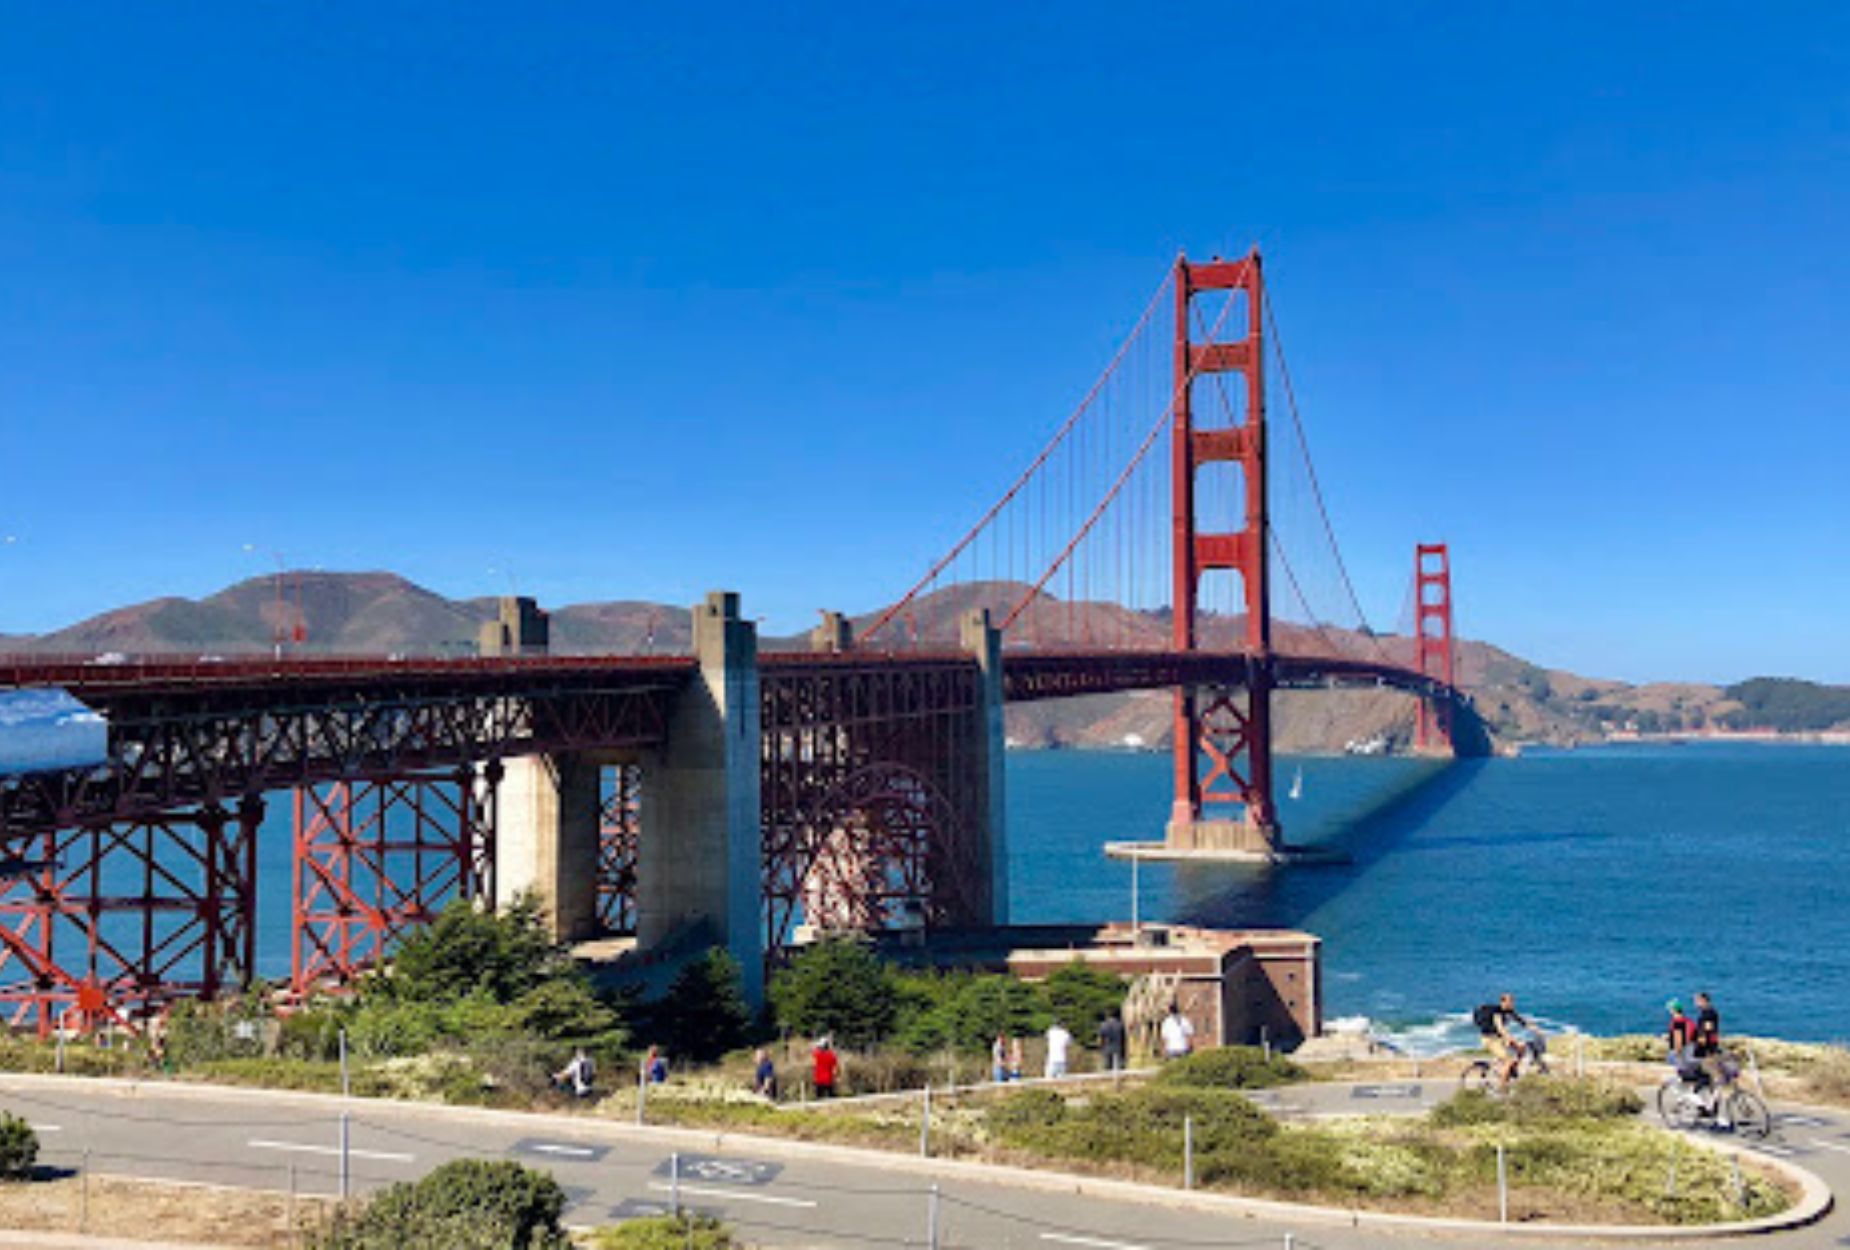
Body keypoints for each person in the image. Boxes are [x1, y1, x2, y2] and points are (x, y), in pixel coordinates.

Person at [1472, 992, 1530, 1091]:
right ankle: (1503, 1088)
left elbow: (1520, 1020)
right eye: (1509, 1001)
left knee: (1522, 1049)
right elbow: (1501, 1029)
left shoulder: (1508, 1011)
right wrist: (1511, 1039)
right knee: (1508, 1060)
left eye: (1512, 1001)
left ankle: (1512, 1071)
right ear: (1502, 1002)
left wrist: (1537, 1030)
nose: (1512, 1003)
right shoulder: (1497, 1013)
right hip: (1490, 1039)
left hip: (1498, 1039)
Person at [1097, 1006, 1127, 1072]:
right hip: (1118, 1049)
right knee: (1119, 1070)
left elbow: (1100, 1039)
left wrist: (1101, 1049)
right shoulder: (1120, 1025)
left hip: (1107, 1049)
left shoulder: (1103, 1025)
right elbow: (1124, 1039)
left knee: (1107, 1070)